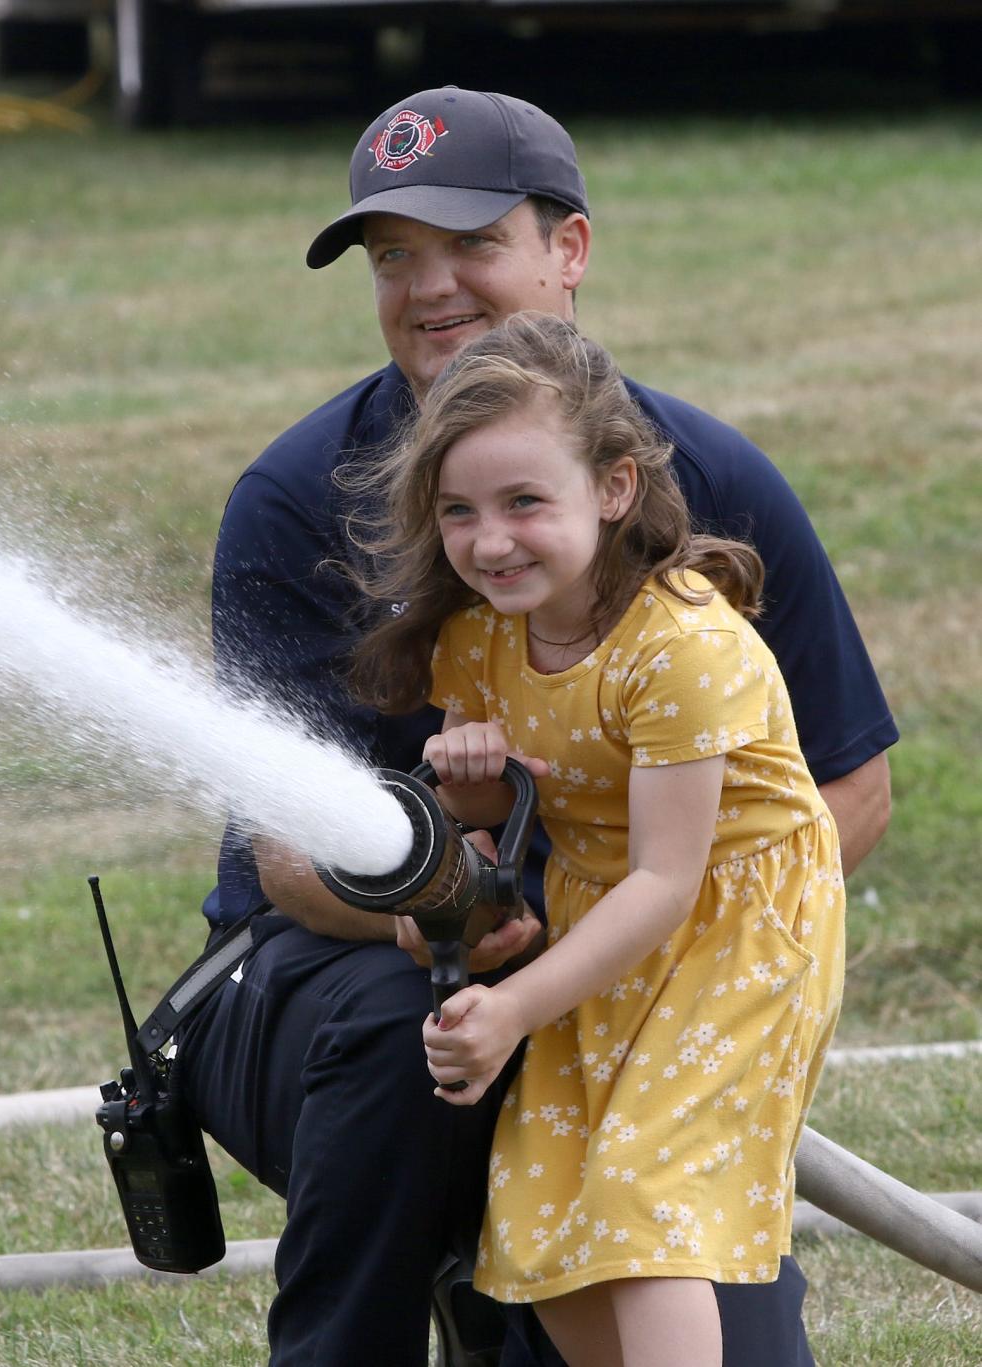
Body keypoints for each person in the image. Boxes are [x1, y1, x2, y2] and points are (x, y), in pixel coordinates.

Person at [176, 86, 896, 1367]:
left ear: (569, 251)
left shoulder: (710, 478)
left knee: (698, 1317)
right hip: (327, 979)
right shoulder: (299, 500)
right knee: (418, 1034)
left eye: (471, 244)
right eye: (393, 255)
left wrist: (677, 982)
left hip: (630, 968)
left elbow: (849, 791)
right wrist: (446, 912)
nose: (428, 287)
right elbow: (288, 856)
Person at [348, 310, 846, 1367]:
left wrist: (514, 1004)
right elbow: (506, 822)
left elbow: (669, 879)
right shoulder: (479, 636)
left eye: (526, 501)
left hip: (733, 929)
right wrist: (466, 800)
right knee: (543, 1214)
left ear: (613, 488)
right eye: (459, 511)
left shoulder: (682, 642)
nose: (489, 540)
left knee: (641, 1192)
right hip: (595, 918)